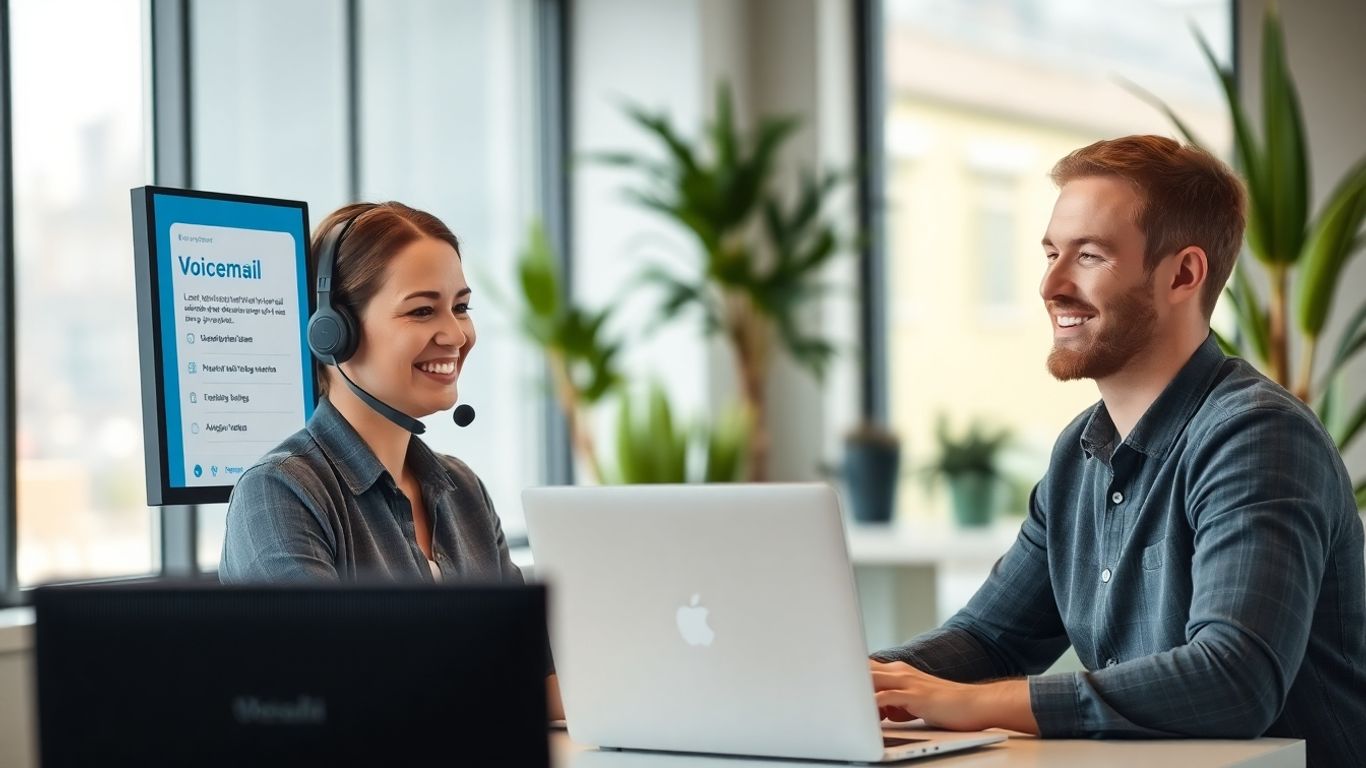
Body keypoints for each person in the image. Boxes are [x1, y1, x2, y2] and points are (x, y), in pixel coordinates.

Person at [869, 136, 1366, 766]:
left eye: (1090, 256)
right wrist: (856, 679)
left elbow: (1233, 680)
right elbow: (991, 639)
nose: (1051, 284)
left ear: (1183, 274)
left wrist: (973, 703)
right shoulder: (1078, 453)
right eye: (1051, 253)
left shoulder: (1258, 436)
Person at [219, 201, 563, 718]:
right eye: (422, 311)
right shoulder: (281, 494)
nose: (456, 334)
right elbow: (335, 695)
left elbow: (535, 676)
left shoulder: (463, 490)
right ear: (333, 331)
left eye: (461, 307)